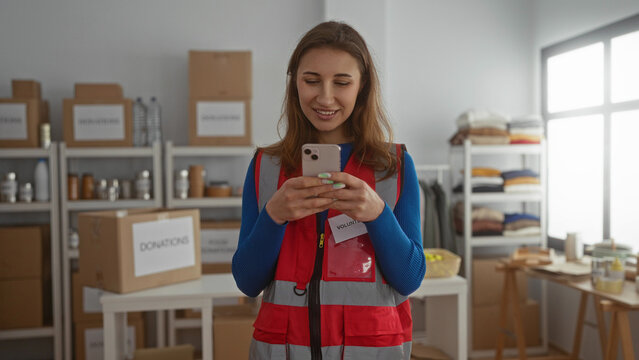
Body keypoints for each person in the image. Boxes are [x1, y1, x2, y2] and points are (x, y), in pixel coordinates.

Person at [232, 21, 425, 360]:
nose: (324, 97)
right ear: (294, 85)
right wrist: (273, 216)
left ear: (362, 88)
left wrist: (378, 215)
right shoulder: (267, 167)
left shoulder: (394, 165)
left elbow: (409, 279)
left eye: (341, 82)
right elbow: (247, 282)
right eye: (311, 81)